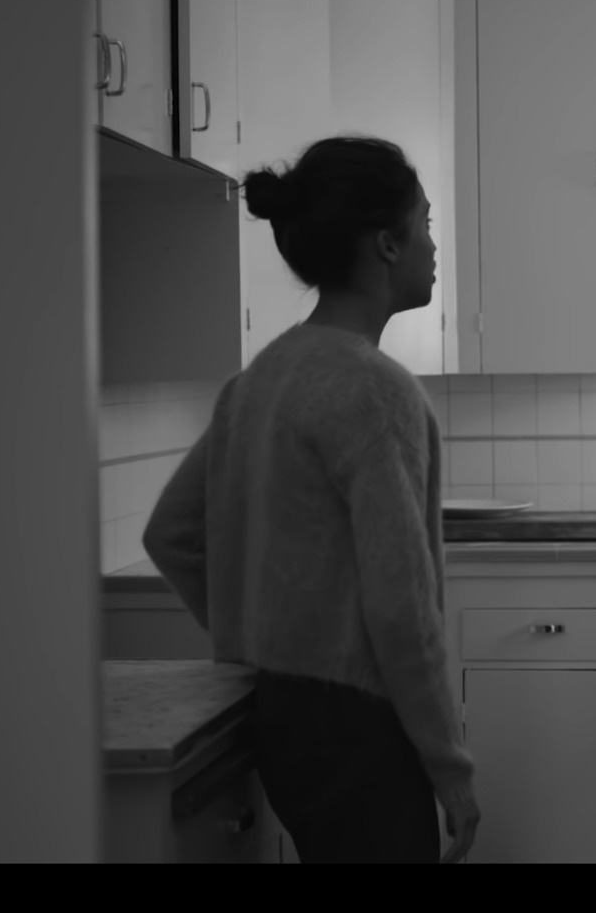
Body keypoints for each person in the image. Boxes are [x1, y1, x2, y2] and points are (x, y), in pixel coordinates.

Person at [142, 136, 480, 864]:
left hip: (278, 717)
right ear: (387, 245)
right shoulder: (374, 390)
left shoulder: (260, 378)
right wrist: (448, 764)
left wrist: (259, 638)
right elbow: (401, 608)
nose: (432, 244)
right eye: (424, 223)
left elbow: (172, 535)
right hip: (360, 727)